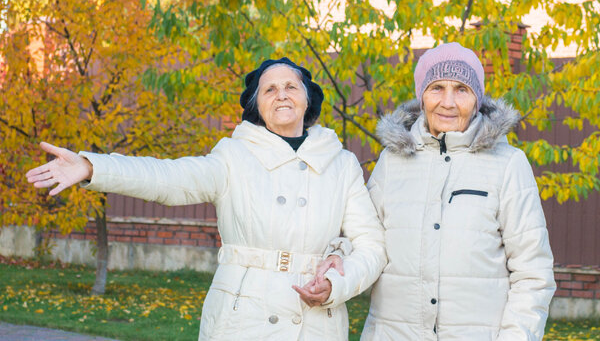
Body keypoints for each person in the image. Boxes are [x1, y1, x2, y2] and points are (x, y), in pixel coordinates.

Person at [26, 57, 387, 340]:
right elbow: (168, 178)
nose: (281, 94)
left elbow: (371, 246)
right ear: (256, 106)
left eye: (291, 86)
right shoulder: (233, 156)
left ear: (308, 99)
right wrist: (93, 167)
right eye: (269, 89)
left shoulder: (342, 164)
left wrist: (335, 286)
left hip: (316, 327)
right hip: (242, 322)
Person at [321, 42, 556, 340]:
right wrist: (338, 256)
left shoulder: (508, 165)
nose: (448, 102)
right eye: (436, 88)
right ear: (421, 97)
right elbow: (364, 239)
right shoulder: (392, 162)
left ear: (477, 98)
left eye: (461, 89)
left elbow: (533, 274)